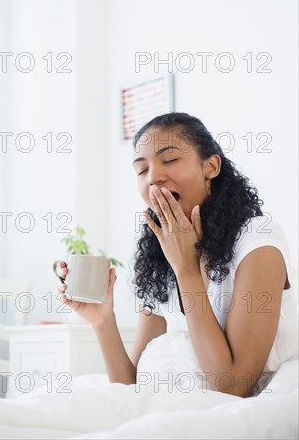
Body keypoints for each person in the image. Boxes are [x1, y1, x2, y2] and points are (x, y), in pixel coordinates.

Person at [55, 112, 298, 398]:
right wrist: (102, 321)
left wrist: (186, 269)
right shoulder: (162, 257)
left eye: (169, 160)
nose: (154, 178)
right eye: (141, 170)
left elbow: (233, 386)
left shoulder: (258, 238)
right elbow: (130, 390)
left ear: (211, 166)